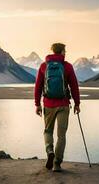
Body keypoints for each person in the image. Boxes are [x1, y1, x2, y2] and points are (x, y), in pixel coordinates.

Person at [34, 43, 80, 172]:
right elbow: (74, 86)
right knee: (61, 135)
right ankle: (57, 163)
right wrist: (77, 104)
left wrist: (37, 104)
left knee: (48, 131)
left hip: (48, 104)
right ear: (63, 52)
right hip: (63, 105)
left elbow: (38, 86)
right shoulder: (67, 67)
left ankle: (49, 151)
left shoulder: (44, 66)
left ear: (52, 51)